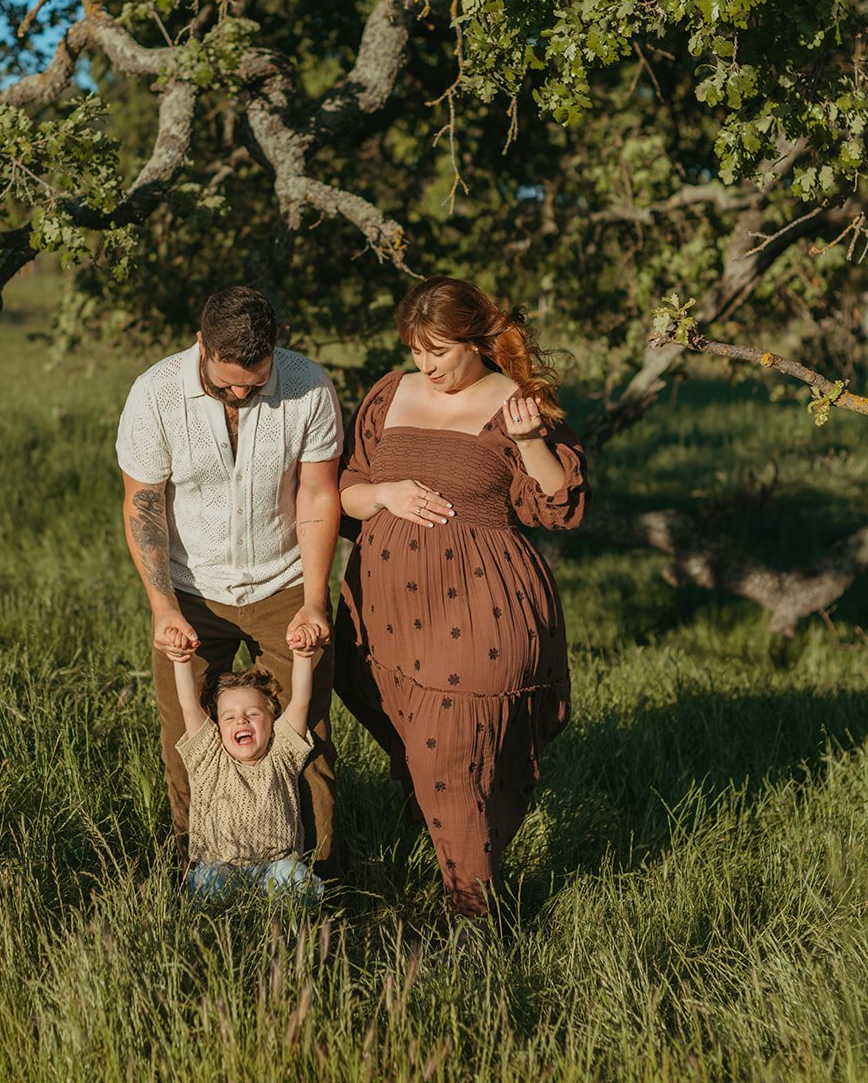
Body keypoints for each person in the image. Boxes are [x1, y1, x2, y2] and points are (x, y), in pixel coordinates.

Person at [334, 276, 589, 918]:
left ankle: (471, 911)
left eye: (439, 351)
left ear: (475, 341)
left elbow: (557, 508)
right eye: (417, 350)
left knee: (458, 742)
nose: (427, 365)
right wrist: (385, 495)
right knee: (433, 751)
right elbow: (346, 492)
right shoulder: (389, 393)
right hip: (389, 614)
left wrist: (531, 443)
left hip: (484, 606)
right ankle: (463, 856)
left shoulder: (516, 404)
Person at [116, 285, 342, 873]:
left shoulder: (309, 386)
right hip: (192, 591)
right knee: (187, 744)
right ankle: (196, 869)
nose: (243, 389)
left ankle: (316, 875)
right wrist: (164, 609)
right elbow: (143, 504)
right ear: (202, 345)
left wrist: (315, 601)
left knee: (306, 739)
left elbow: (318, 493)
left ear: (275, 350)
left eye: (256, 376)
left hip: (285, 580)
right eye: (229, 377)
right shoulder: (156, 394)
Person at [160, 618, 328, 901]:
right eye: (230, 717)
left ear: (271, 720)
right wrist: (181, 660)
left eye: (252, 714)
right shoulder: (209, 757)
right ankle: (221, 928)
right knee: (209, 884)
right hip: (222, 867)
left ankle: (287, 928)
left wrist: (303, 656)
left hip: (276, 867)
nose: (241, 720)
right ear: (217, 726)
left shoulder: (282, 754)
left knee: (297, 878)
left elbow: (300, 701)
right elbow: (188, 703)